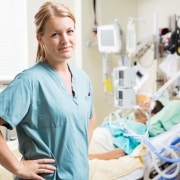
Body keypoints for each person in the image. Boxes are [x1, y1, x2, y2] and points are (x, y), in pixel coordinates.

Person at [0, 1, 95, 180]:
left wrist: (77, 154)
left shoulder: (83, 79)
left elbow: (90, 116)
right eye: (55, 34)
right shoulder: (28, 82)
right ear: (40, 38)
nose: (65, 40)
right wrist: (18, 167)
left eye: (70, 31)